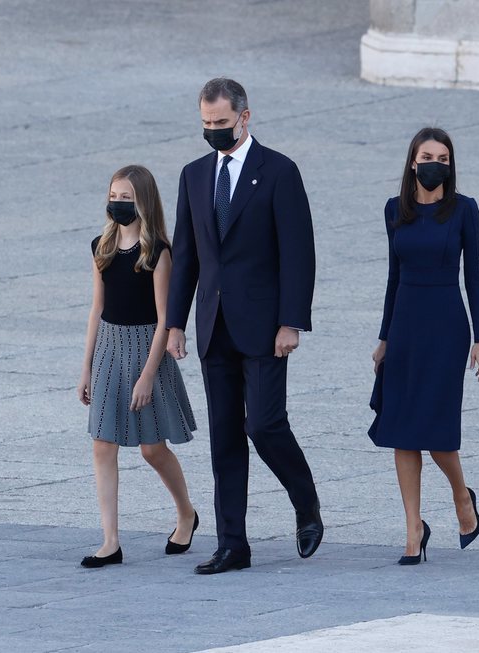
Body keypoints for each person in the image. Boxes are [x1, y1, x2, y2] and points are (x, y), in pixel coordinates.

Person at [166, 78, 322, 575]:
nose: (214, 132)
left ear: (245, 117)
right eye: (206, 124)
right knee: (225, 437)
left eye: (222, 123)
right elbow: (186, 256)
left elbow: (299, 254)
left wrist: (292, 321)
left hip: (264, 326)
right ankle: (233, 543)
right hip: (214, 324)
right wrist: (175, 324)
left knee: (264, 423)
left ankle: (306, 503)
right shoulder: (193, 176)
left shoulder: (278, 171)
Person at [369, 127, 479, 566]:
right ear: (413, 162)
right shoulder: (393, 210)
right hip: (405, 325)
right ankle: (413, 529)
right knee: (403, 430)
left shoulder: (463, 210)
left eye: (443, 156)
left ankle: (462, 496)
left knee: (437, 430)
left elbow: (472, 276)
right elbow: (392, 277)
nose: (435, 162)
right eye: (427, 155)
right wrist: (384, 338)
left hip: (446, 325)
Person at [77, 165, 199, 568]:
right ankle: (110, 540)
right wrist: (85, 368)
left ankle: (186, 512)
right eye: (113, 196)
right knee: (102, 443)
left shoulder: (158, 252)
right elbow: (97, 309)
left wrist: (149, 373)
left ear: (143, 201)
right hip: (110, 348)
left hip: (148, 348)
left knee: (151, 448)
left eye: (126, 197)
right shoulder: (102, 246)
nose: (118, 204)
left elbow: (165, 318)